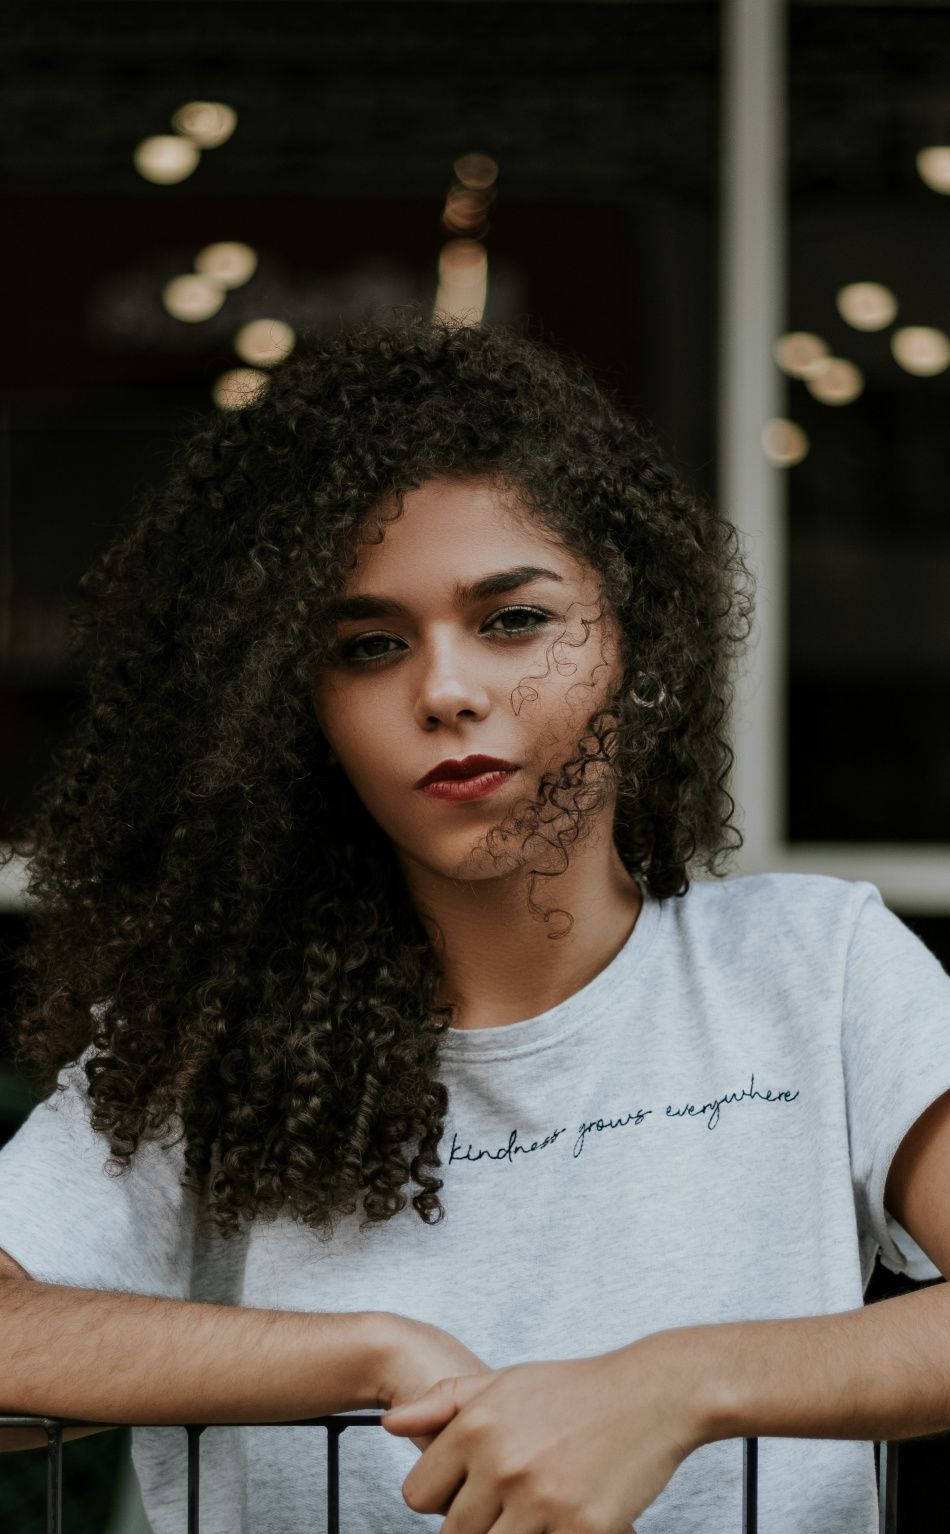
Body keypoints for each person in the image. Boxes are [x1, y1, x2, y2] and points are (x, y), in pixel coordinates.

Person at [0, 308, 948, 1534]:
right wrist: (367, 1354)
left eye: (513, 620)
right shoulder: (210, 1038)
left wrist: (671, 1387)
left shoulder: (812, 969)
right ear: (299, 715)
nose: (444, 690)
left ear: (635, 645)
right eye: (367, 645)